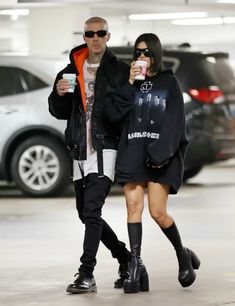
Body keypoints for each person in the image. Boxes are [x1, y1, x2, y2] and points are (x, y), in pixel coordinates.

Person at [103, 33, 201, 293]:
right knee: (133, 206)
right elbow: (112, 116)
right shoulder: (129, 82)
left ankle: (182, 254)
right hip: (132, 151)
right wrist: (129, 84)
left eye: (146, 52)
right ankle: (135, 265)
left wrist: (161, 154)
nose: (141, 57)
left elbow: (175, 122)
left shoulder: (169, 82)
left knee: (157, 212)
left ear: (156, 54)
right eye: (137, 52)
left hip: (160, 155)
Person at [48, 16, 130, 294]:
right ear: (83, 36)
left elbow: (126, 109)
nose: (95, 38)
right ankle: (126, 258)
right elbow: (58, 112)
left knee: (92, 209)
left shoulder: (119, 71)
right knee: (85, 214)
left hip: (106, 147)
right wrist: (59, 94)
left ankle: (87, 272)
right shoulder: (71, 70)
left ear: (108, 36)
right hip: (79, 149)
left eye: (100, 33)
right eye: (89, 33)